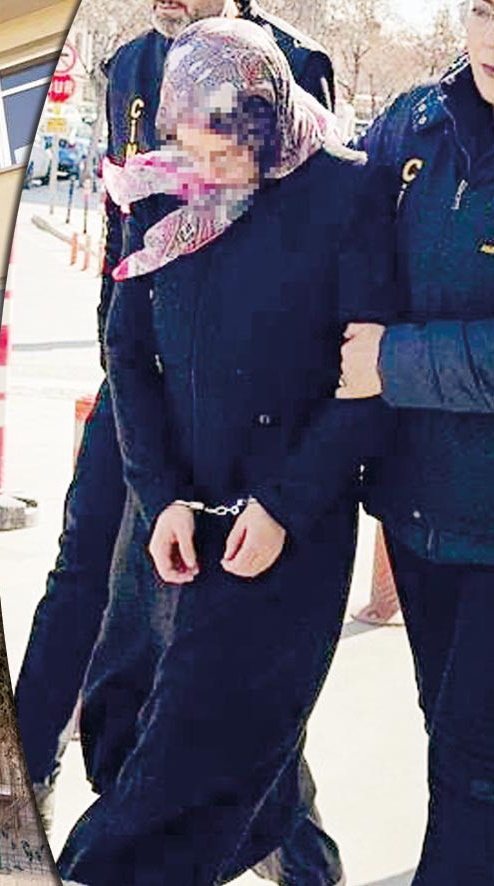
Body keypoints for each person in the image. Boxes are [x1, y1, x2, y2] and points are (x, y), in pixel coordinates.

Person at [57, 19, 396, 885]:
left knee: (186, 770)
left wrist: (285, 506)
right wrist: (158, 496)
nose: (211, 171)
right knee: (134, 724)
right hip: (170, 522)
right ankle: (309, 873)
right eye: (194, 150)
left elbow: (364, 381)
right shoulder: (158, 191)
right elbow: (127, 353)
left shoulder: (344, 188)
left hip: (284, 532)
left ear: (268, 114)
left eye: (227, 150)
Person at [339, 1, 494, 880]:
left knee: (473, 764)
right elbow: (332, 223)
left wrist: (392, 362)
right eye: (482, 10)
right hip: (418, 512)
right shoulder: (414, 121)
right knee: (447, 730)